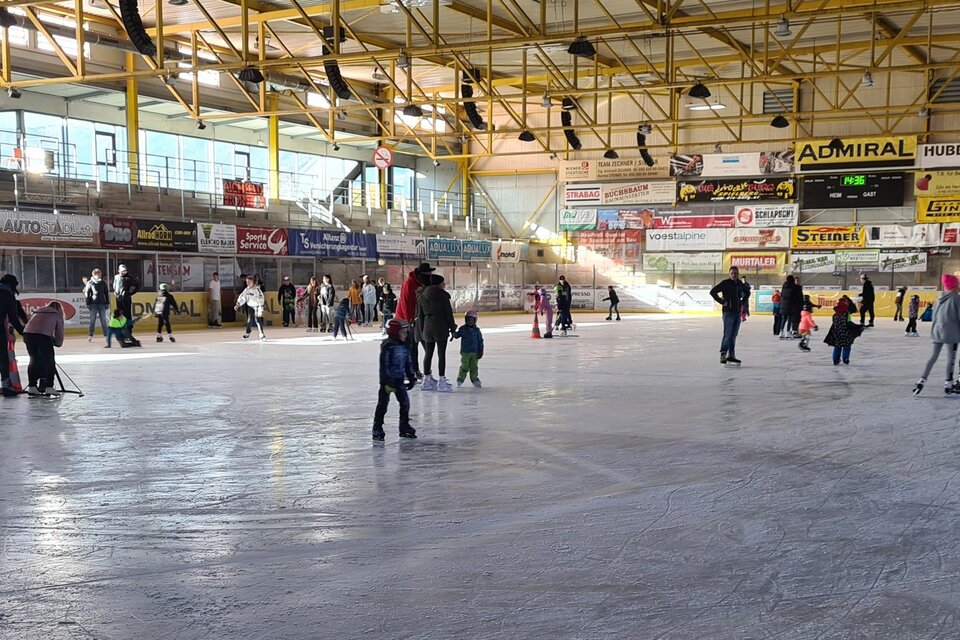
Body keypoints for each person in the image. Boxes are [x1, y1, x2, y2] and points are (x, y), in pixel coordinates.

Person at [372, 318, 418, 441]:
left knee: (405, 404)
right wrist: (387, 381)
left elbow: (408, 362)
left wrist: (411, 376)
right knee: (382, 406)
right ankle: (377, 427)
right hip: (387, 382)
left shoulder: (404, 346)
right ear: (394, 332)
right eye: (403, 332)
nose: (406, 334)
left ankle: (404, 426)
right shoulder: (388, 346)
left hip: (399, 381)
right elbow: (384, 365)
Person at [913, 275, 960, 395]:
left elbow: (934, 316)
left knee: (933, 357)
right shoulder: (956, 298)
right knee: (951, 358)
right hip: (951, 333)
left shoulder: (940, 297)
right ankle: (948, 383)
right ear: (955, 285)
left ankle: (921, 380)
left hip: (937, 331)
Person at [417, 274, 457, 392]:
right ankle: (441, 381)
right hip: (440, 326)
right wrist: (453, 328)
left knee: (428, 354)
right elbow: (448, 314)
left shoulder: (422, 296)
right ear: (439, 284)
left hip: (427, 326)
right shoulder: (443, 295)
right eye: (443, 283)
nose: (444, 285)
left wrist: (422, 329)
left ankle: (426, 380)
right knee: (441, 354)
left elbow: (420, 316)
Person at [397, 262, 435, 378]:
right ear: (421, 274)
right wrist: (409, 320)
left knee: (421, 343)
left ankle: (415, 370)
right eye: (428, 273)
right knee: (413, 345)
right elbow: (405, 303)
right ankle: (412, 370)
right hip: (407, 318)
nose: (430, 275)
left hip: (417, 318)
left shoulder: (422, 283)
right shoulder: (410, 283)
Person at [22, 300, 64, 397]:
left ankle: (32, 386)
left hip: (28, 335)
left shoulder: (38, 312)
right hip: (42, 336)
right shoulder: (57, 315)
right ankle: (49, 387)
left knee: (33, 359)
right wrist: (58, 343)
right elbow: (59, 333)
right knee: (50, 360)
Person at [709, 266, 746, 366]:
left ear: (738, 274)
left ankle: (731, 355)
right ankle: (723, 354)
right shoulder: (725, 283)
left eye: (735, 273)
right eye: (732, 273)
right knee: (728, 334)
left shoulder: (739, 284)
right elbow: (713, 292)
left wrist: (743, 303)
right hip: (728, 313)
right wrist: (722, 302)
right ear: (729, 274)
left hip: (737, 313)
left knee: (733, 335)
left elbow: (746, 293)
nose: (734, 275)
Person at [1, 273, 25, 397]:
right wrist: (23, 332)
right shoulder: (8, 296)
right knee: (3, 357)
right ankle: (6, 386)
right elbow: (13, 318)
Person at [453, 310, 484, 388]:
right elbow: (456, 335)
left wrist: (481, 350)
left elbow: (480, 341)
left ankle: (475, 380)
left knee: (474, 367)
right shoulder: (463, 329)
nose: (469, 322)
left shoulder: (477, 331)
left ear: (475, 320)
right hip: (465, 352)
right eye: (468, 320)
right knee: (464, 366)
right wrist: (453, 331)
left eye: (471, 320)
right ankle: (460, 379)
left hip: (475, 352)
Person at [824, 299, 860, 365]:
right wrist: (857, 327)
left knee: (837, 347)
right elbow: (849, 323)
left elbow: (834, 324)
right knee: (847, 346)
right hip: (845, 333)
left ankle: (835, 360)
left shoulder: (835, 315)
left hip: (837, 333)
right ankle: (845, 358)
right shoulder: (846, 314)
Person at [82, 268, 111, 343]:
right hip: (93, 304)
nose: (98, 276)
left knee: (103, 320)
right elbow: (87, 294)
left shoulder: (103, 283)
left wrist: (107, 302)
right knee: (92, 320)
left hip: (102, 303)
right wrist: (88, 303)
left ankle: (106, 335)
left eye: (99, 274)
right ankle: (90, 335)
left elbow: (106, 293)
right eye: (96, 274)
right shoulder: (90, 283)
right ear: (93, 275)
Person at [236, 275, 266, 340]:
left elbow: (261, 299)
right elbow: (243, 298)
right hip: (250, 306)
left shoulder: (257, 289)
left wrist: (260, 309)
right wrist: (238, 304)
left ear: (252, 282)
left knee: (258, 320)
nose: (248, 283)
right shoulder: (246, 290)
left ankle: (261, 334)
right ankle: (247, 333)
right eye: (247, 282)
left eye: (249, 282)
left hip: (257, 306)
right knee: (249, 320)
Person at [113, 264, 139, 333]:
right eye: (122, 271)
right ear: (119, 271)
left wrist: (129, 293)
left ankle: (129, 330)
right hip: (118, 299)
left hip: (126, 299)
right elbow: (114, 286)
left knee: (127, 314)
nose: (124, 272)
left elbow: (136, 286)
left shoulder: (129, 278)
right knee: (120, 315)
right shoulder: (116, 277)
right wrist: (115, 292)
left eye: (125, 271)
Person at [779, 275, 801, 339]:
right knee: (789, 319)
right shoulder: (794, 287)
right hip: (791, 305)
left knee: (784, 319)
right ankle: (788, 333)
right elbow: (796, 297)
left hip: (783, 305)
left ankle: (781, 332)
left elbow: (782, 295)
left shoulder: (784, 286)